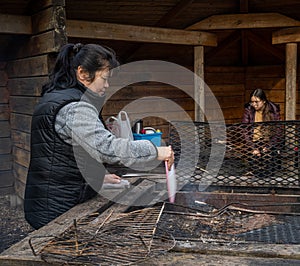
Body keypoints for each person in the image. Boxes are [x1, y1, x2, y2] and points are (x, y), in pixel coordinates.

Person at [24, 43, 174, 229]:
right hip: (57, 208)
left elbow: (63, 153)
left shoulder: (57, 97)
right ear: (83, 74)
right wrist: (155, 150)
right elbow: (106, 148)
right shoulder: (74, 107)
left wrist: (96, 177)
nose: (107, 84)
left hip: (51, 200)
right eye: (104, 78)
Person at [242, 88, 281, 177]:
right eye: (252, 102)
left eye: (257, 102)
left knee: (269, 165)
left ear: (263, 101)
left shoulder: (273, 110)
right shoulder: (249, 110)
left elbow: (278, 131)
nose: (254, 104)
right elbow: (244, 130)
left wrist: (268, 146)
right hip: (254, 142)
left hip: (269, 142)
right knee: (255, 165)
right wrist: (253, 147)